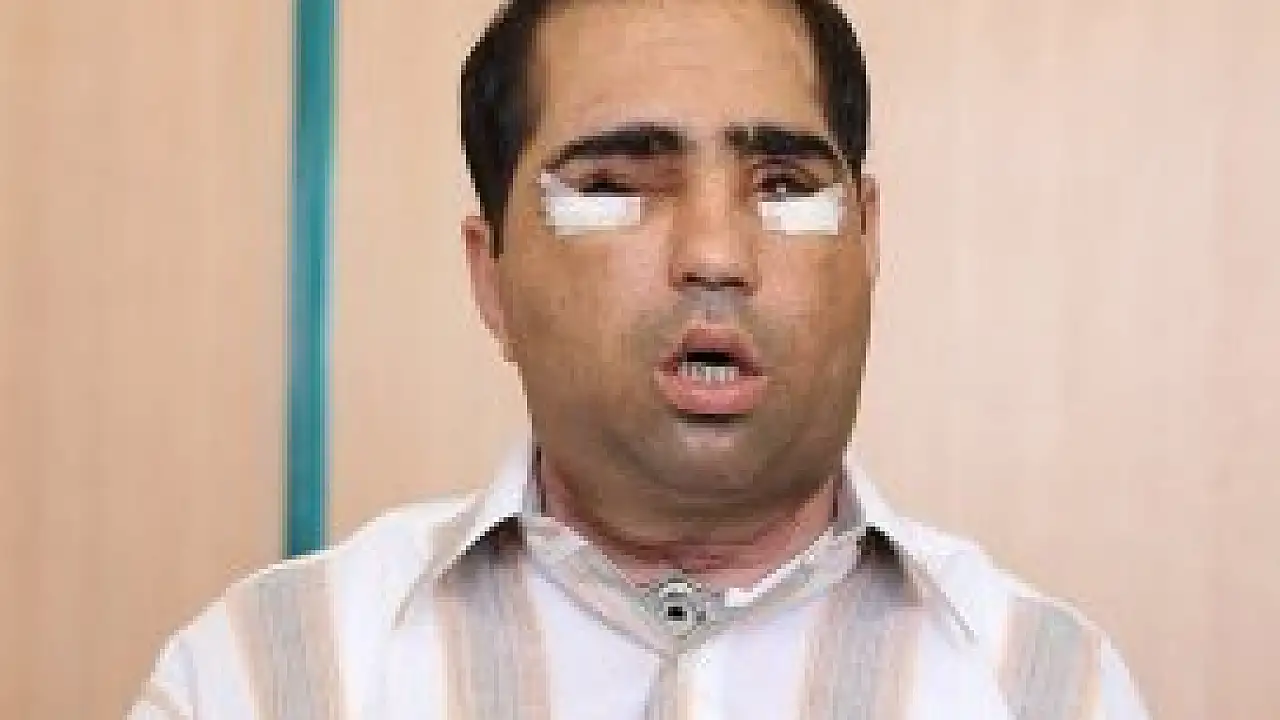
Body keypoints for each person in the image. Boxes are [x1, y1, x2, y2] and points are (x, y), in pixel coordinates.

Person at [129, 0, 1151, 717]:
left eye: (784, 185)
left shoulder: (1043, 687)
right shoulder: (267, 678)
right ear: (492, 277)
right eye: (616, 184)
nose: (714, 253)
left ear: (867, 241)